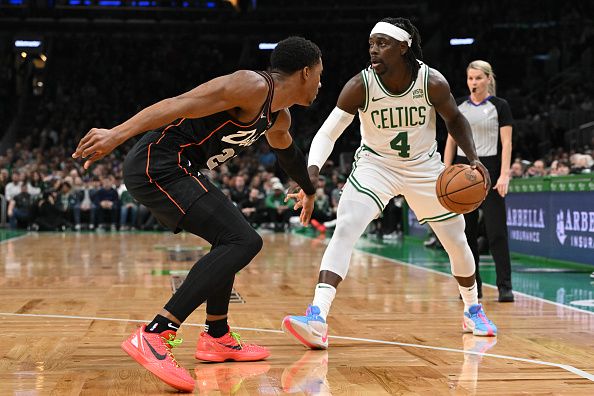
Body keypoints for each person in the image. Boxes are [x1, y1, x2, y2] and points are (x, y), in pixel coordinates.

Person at [72, 36, 322, 392]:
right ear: (306, 72)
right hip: (157, 163)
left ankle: (217, 335)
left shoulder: (278, 116)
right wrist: (117, 134)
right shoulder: (249, 85)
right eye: (320, 76)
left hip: (183, 168)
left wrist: (308, 190)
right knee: (242, 239)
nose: (321, 84)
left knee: (232, 238)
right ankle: (156, 333)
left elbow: (289, 154)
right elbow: (178, 104)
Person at [282, 18, 497, 350]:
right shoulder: (361, 85)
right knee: (347, 227)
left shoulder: (432, 81)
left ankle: (473, 309)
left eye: (382, 43)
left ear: (404, 47)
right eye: (371, 44)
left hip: (423, 167)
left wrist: (474, 158)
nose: (373, 50)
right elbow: (328, 132)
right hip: (375, 165)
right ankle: (317, 317)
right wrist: (312, 171)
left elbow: (454, 119)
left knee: (456, 239)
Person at [444, 60, 515, 303]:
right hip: (465, 171)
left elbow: (506, 143)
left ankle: (505, 286)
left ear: (488, 79)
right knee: (467, 235)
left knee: (497, 233)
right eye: (470, 78)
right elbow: (451, 141)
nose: (473, 82)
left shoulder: (500, 106)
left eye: (478, 78)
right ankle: (474, 288)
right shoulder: (460, 106)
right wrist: (446, 171)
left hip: (491, 169)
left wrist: (504, 174)